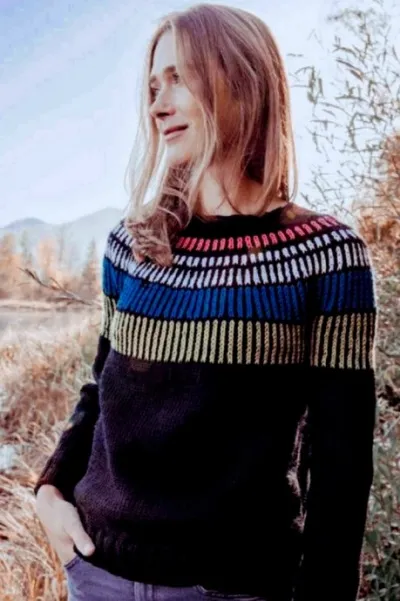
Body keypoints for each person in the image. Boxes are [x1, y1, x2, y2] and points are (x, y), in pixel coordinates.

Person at [33, 3, 379, 601]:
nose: (157, 104)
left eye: (180, 78)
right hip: (96, 573)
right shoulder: (131, 245)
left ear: (243, 80)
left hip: (234, 586)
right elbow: (100, 390)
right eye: (152, 87)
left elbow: (341, 463)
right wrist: (49, 491)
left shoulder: (326, 255)